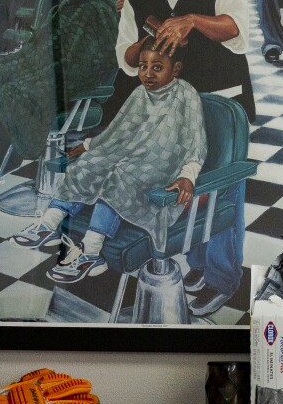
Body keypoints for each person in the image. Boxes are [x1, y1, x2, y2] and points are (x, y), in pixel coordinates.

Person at [113, 0, 253, 315]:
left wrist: (192, 21)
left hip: (223, 101)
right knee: (189, 189)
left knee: (222, 189)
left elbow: (236, 29)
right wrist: (144, 40)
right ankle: (198, 264)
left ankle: (224, 278)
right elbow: (125, 58)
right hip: (173, 109)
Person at [11, 37, 206, 285]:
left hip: (163, 166)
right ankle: (48, 224)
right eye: (143, 67)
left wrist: (188, 175)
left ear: (175, 69)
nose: (147, 74)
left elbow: (195, 141)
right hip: (131, 154)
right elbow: (119, 131)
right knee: (88, 165)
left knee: (120, 175)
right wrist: (88, 146)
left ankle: (91, 251)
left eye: (157, 67)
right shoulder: (139, 93)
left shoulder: (186, 95)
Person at [0, 0, 119, 171]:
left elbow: (97, 60)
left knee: (11, 92)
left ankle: (3, 161)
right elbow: (36, 49)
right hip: (49, 71)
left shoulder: (100, 9)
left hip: (73, 84)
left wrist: (39, 71)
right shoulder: (61, 9)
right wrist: (17, 65)